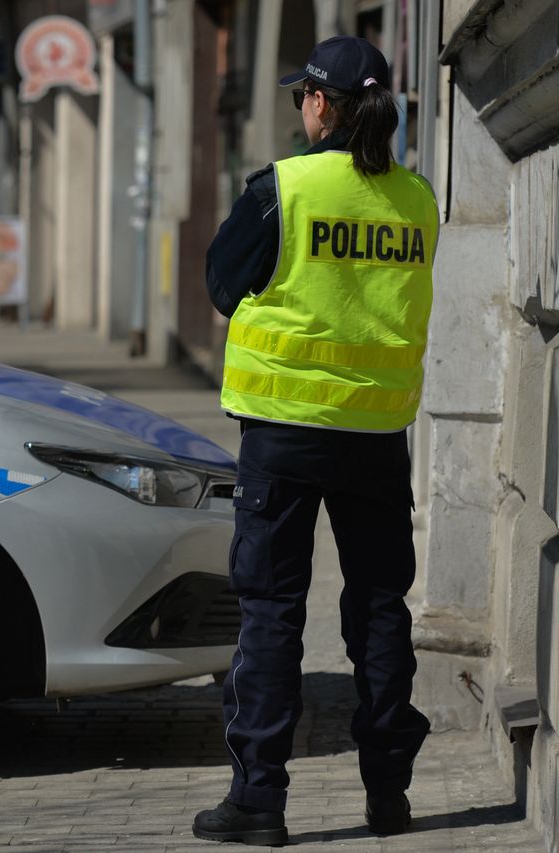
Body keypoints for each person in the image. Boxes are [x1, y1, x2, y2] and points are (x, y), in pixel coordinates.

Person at [192, 35, 439, 846]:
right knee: (378, 610)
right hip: (375, 436)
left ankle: (259, 801)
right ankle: (388, 793)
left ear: (321, 106)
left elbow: (224, 282)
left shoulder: (285, 188)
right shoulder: (416, 200)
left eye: (304, 94)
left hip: (284, 434)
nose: (301, 106)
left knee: (270, 613)